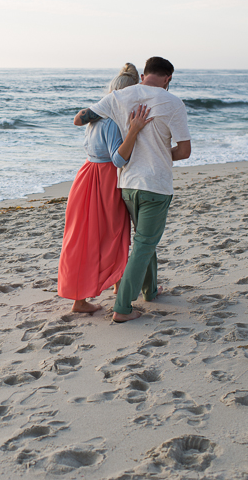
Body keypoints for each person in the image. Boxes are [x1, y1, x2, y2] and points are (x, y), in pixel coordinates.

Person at [80, 56, 191, 323]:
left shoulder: (120, 96)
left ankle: (150, 291)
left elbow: (83, 117)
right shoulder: (173, 102)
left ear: (144, 76)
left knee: (145, 239)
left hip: (127, 185)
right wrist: (161, 154)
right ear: (168, 79)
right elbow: (184, 151)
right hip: (155, 185)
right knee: (144, 244)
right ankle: (122, 308)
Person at [58, 63, 154, 313]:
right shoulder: (112, 121)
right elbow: (118, 159)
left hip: (86, 177)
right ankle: (81, 300)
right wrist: (133, 131)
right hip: (104, 181)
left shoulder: (95, 116)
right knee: (108, 235)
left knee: (85, 234)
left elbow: (78, 120)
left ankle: (114, 282)